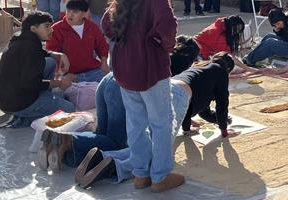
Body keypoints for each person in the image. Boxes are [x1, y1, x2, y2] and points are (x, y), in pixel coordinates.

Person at [41, 37, 201, 178]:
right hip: (122, 88)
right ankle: (68, 140)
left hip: (110, 79)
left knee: (102, 136)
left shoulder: (159, 52)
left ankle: (64, 151)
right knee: (117, 143)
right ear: (191, 62)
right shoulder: (172, 72)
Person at [102, 0, 182, 192]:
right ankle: (160, 176)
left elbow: (106, 23)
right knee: (161, 123)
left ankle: (140, 174)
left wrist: (124, 39)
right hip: (149, 67)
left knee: (135, 123)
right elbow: (167, 27)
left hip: (124, 66)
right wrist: (161, 45)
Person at [0, 11, 76, 124]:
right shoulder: (30, 49)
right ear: (33, 29)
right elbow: (31, 84)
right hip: (17, 102)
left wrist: (57, 54)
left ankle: (43, 99)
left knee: (50, 62)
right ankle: (17, 120)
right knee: (69, 109)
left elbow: (41, 53)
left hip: (7, 95)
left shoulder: (21, 38)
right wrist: (59, 83)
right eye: (47, 26)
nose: (51, 30)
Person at [46, 0, 110, 83]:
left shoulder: (92, 27)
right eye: (68, 11)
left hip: (92, 71)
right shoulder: (56, 29)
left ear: (84, 14)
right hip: (68, 74)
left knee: (112, 84)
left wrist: (104, 64)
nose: (70, 14)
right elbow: (51, 53)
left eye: (75, 12)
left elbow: (102, 46)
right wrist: (62, 73)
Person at [179, 52, 239, 138]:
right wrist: (224, 131)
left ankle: (187, 130)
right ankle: (186, 129)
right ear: (228, 69)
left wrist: (187, 128)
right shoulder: (220, 71)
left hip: (168, 87)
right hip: (182, 94)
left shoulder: (201, 67)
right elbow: (222, 104)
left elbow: (202, 108)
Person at [242, 7, 288, 72]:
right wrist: (277, 30)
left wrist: (286, 68)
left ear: (282, 18)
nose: (277, 26)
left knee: (270, 43)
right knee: (269, 36)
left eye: (278, 23)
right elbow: (285, 36)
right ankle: (253, 57)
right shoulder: (284, 21)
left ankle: (249, 60)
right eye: (275, 25)